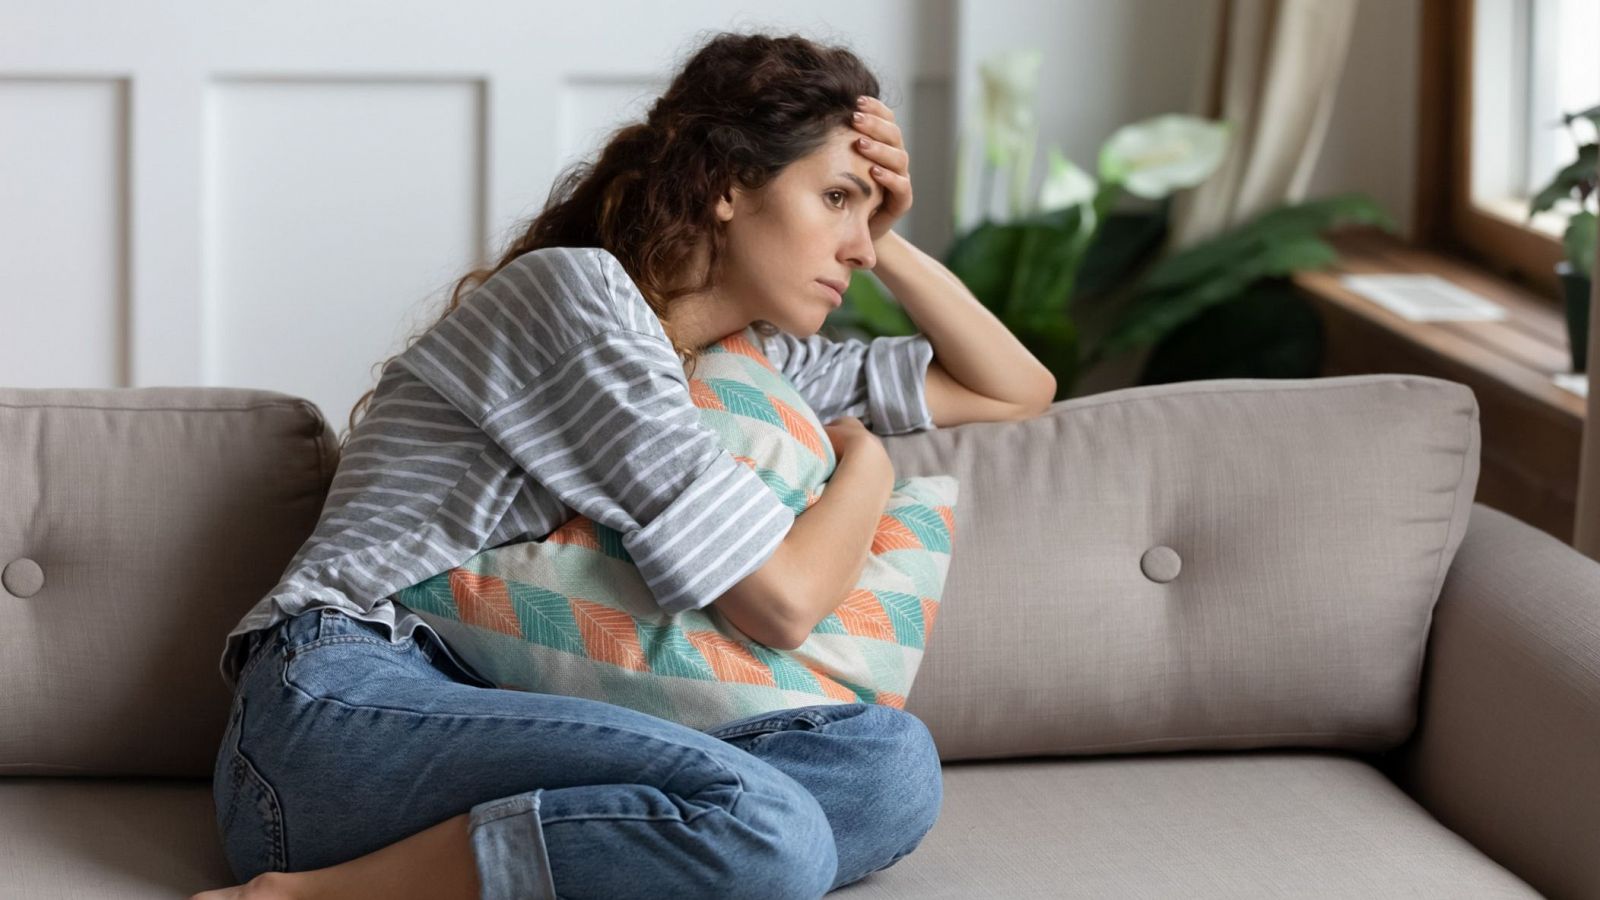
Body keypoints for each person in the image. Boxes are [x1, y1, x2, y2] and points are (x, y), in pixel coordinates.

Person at [195, 28, 1055, 900]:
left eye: (864, 215)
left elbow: (1016, 388)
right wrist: (867, 462)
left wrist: (886, 232)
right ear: (726, 186)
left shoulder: (745, 362)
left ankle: (555, 858)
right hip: (344, 704)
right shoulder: (580, 302)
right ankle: (311, 896)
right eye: (834, 198)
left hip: (500, 706)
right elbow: (784, 603)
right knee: (772, 830)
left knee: (887, 766)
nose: (859, 248)